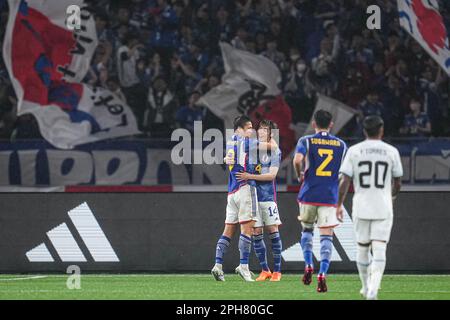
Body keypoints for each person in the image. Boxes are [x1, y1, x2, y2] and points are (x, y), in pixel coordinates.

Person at [337, 115, 403, 300]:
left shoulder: (354, 151)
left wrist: (339, 204)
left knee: (362, 249)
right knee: (380, 248)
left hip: (361, 206)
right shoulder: (391, 151)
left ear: (364, 131)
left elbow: (344, 181)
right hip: (383, 206)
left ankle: (366, 287)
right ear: (381, 130)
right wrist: (392, 197)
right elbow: (397, 182)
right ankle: (373, 290)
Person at [211, 115, 277, 282]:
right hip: (245, 189)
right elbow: (272, 147)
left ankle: (218, 266)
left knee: (228, 230)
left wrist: (226, 158)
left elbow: (228, 159)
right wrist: (272, 139)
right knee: (247, 229)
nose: (252, 131)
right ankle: (244, 266)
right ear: (239, 129)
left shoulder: (231, 142)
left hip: (231, 192)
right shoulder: (247, 142)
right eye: (248, 128)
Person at [293, 110, 347, 293]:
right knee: (326, 236)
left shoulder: (306, 141)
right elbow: (345, 173)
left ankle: (308, 264)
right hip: (329, 196)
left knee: (307, 231)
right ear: (331, 124)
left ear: (314, 123)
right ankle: (322, 274)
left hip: (309, 193)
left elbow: (297, 160)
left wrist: (299, 174)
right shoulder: (341, 145)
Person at [231, 120, 283, 282]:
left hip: (267, 197)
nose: (261, 132)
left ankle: (278, 271)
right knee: (256, 233)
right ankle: (265, 269)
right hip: (252, 196)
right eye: (260, 130)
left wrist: (250, 176)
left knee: (273, 232)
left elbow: (272, 176)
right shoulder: (253, 148)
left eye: (265, 130)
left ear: (271, 134)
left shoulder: (274, 151)